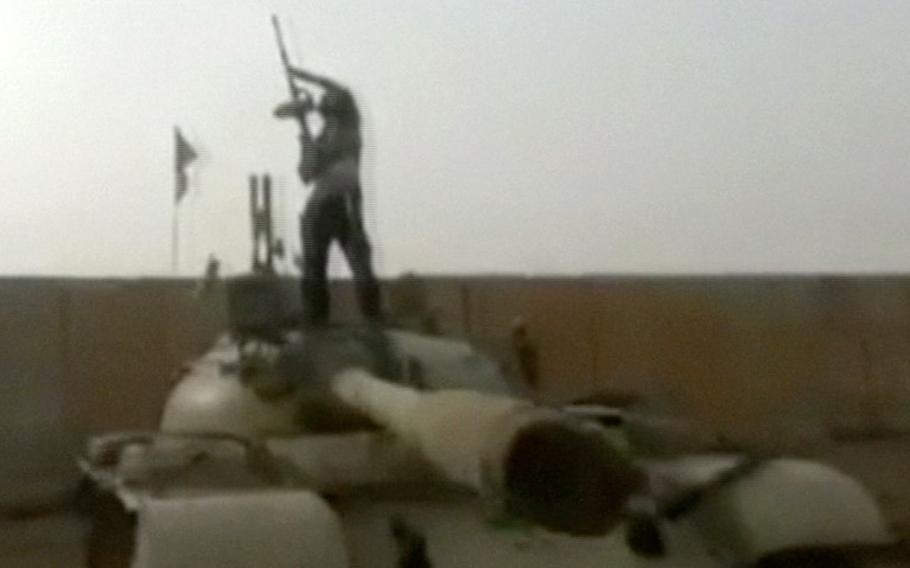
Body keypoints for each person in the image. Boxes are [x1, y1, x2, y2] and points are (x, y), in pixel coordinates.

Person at [274, 67, 381, 326]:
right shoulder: (319, 138)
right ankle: (316, 319)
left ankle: (372, 318)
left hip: (346, 204)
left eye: (325, 103)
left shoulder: (349, 125)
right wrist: (305, 141)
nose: (323, 103)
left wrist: (301, 76)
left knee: (361, 264)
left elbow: (337, 88)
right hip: (321, 206)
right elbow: (306, 174)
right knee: (314, 268)